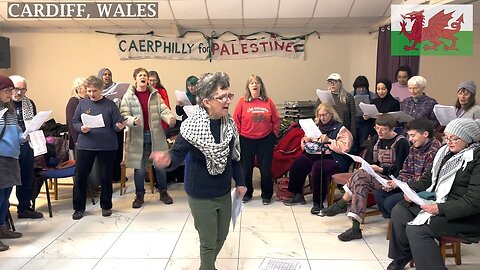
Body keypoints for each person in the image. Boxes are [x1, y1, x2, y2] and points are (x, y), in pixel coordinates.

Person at [151, 72, 247, 270]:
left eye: (230, 95)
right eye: (222, 97)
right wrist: (167, 159)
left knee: (222, 235)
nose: (228, 101)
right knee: (208, 240)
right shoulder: (191, 126)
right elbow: (177, 154)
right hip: (201, 193)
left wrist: (241, 182)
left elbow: (235, 157)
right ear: (207, 101)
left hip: (222, 191)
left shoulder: (230, 125)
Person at [387, 118, 480, 270]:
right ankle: (403, 256)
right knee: (400, 210)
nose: (449, 142)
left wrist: (440, 209)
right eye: (447, 137)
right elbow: (429, 178)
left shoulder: (475, 158)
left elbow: (474, 201)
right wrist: (413, 190)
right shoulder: (445, 153)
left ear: (468, 138)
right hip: (441, 202)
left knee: (417, 229)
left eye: (454, 138)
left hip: (464, 215)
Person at [320, 115, 410, 242]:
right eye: (377, 128)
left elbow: (400, 169)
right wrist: (369, 167)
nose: (379, 132)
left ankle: (341, 204)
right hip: (375, 176)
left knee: (360, 177)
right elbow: (368, 160)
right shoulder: (375, 139)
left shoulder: (401, 143)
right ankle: (355, 228)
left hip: (392, 180)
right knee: (360, 180)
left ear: (392, 129)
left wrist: (381, 170)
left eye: (383, 129)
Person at [72, 75, 125, 220]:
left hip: (107, 146)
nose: (91, 94)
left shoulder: (110, 105)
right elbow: (75, 121)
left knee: (106, 177)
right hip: (86, 145)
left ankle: (106, 206)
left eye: (94, 91)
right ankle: (78, 208)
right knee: (81, 176)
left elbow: (116, 123)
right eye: (89, 91)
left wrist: (119, 126)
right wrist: (80, 128)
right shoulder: (82, 104)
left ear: (101, 90)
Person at [283, 103, 353, 214]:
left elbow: (345, 147)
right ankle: (297, 194)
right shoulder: (316, 126)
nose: (322, 117)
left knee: (318, 167)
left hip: (333, 158)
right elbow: (304, 144)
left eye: (325, 114)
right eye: (320, 115)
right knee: (298, 164)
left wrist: (329, 140)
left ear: (331, 114)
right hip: (314, 154)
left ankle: (318, 202)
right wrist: (305, 140)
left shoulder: (340, 128)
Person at [120, 68, 175, 208]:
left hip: (155, 136)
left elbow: (163, 109)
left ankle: (163, 192)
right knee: (139, 168)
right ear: (135, 79)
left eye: (145, 75)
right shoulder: (128, 96)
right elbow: (124, 115)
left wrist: (169, 118)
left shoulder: (155, 94)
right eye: (140, 75)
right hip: (138, 137)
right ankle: (139, 195)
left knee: (160, 165)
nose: (143, 77)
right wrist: (132, 120)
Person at [374, 118, 442, 219]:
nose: (410, 139)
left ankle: (401, 221)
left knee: (389, 202)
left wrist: (401, 184)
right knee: (379, 194)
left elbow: (426, 180)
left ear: (425, 134)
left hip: (422, 190)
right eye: (409, 135)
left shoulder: (434, 152)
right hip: (409, 186)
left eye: (412, 135)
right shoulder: (413, 148)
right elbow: (406, 171)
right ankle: (396, 220)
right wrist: (395, 183)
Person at [233, 74, 279, 204]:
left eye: (257, 82)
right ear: (248, 86)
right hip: (246, 139)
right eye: (252, 83)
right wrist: (238, 136)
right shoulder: (242, 101)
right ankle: (247, 194)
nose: (254, 85)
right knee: (246, 169)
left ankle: (267, 195)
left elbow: (276, 119)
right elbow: (236, 120)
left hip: (265, 140)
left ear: (261, 86)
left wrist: (273, 135)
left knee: (265, 169)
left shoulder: (268, 101)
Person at [9, 75, 43, 219]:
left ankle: (24, 208)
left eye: (22, 89)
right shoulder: (3, 103)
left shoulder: (29, 103)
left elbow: (33, 121)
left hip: (26, 145)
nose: (19, 93)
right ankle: (4, 212)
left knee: (26, 176)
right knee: (9, 178)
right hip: (9, 146)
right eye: (16, 89)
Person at [0, 75, 24, 252]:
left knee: (6, 195)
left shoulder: (9, 110)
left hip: (12, 156)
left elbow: (16, 133)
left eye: (12, 90)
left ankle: (2, 228)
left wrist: (25, 136)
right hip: (0, 158)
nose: (12, 93)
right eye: (7, 90)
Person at [97, 68, 123, 183]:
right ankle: (107, 176)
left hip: (116, 122)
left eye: (109, 74)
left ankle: (117, 175)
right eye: (104, 74)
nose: (107, 76)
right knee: (106, 152)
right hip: (103, 125)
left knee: (118, 149)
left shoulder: (117, 89)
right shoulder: (96, 91)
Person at [351, 75, 376, 154]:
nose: (361, 90)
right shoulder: (350, 95)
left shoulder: (372, 96)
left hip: (366, 121)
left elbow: (375, 111)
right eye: (359, 88)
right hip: (354, 120)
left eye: (363, 87)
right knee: (353, 142)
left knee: (363, 142)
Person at [65, 77, 87, 153]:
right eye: (85, 87)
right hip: (78, 140)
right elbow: (71, 123)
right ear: (79, 89)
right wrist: (77, 140)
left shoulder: (87, 101)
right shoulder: (73, 101)